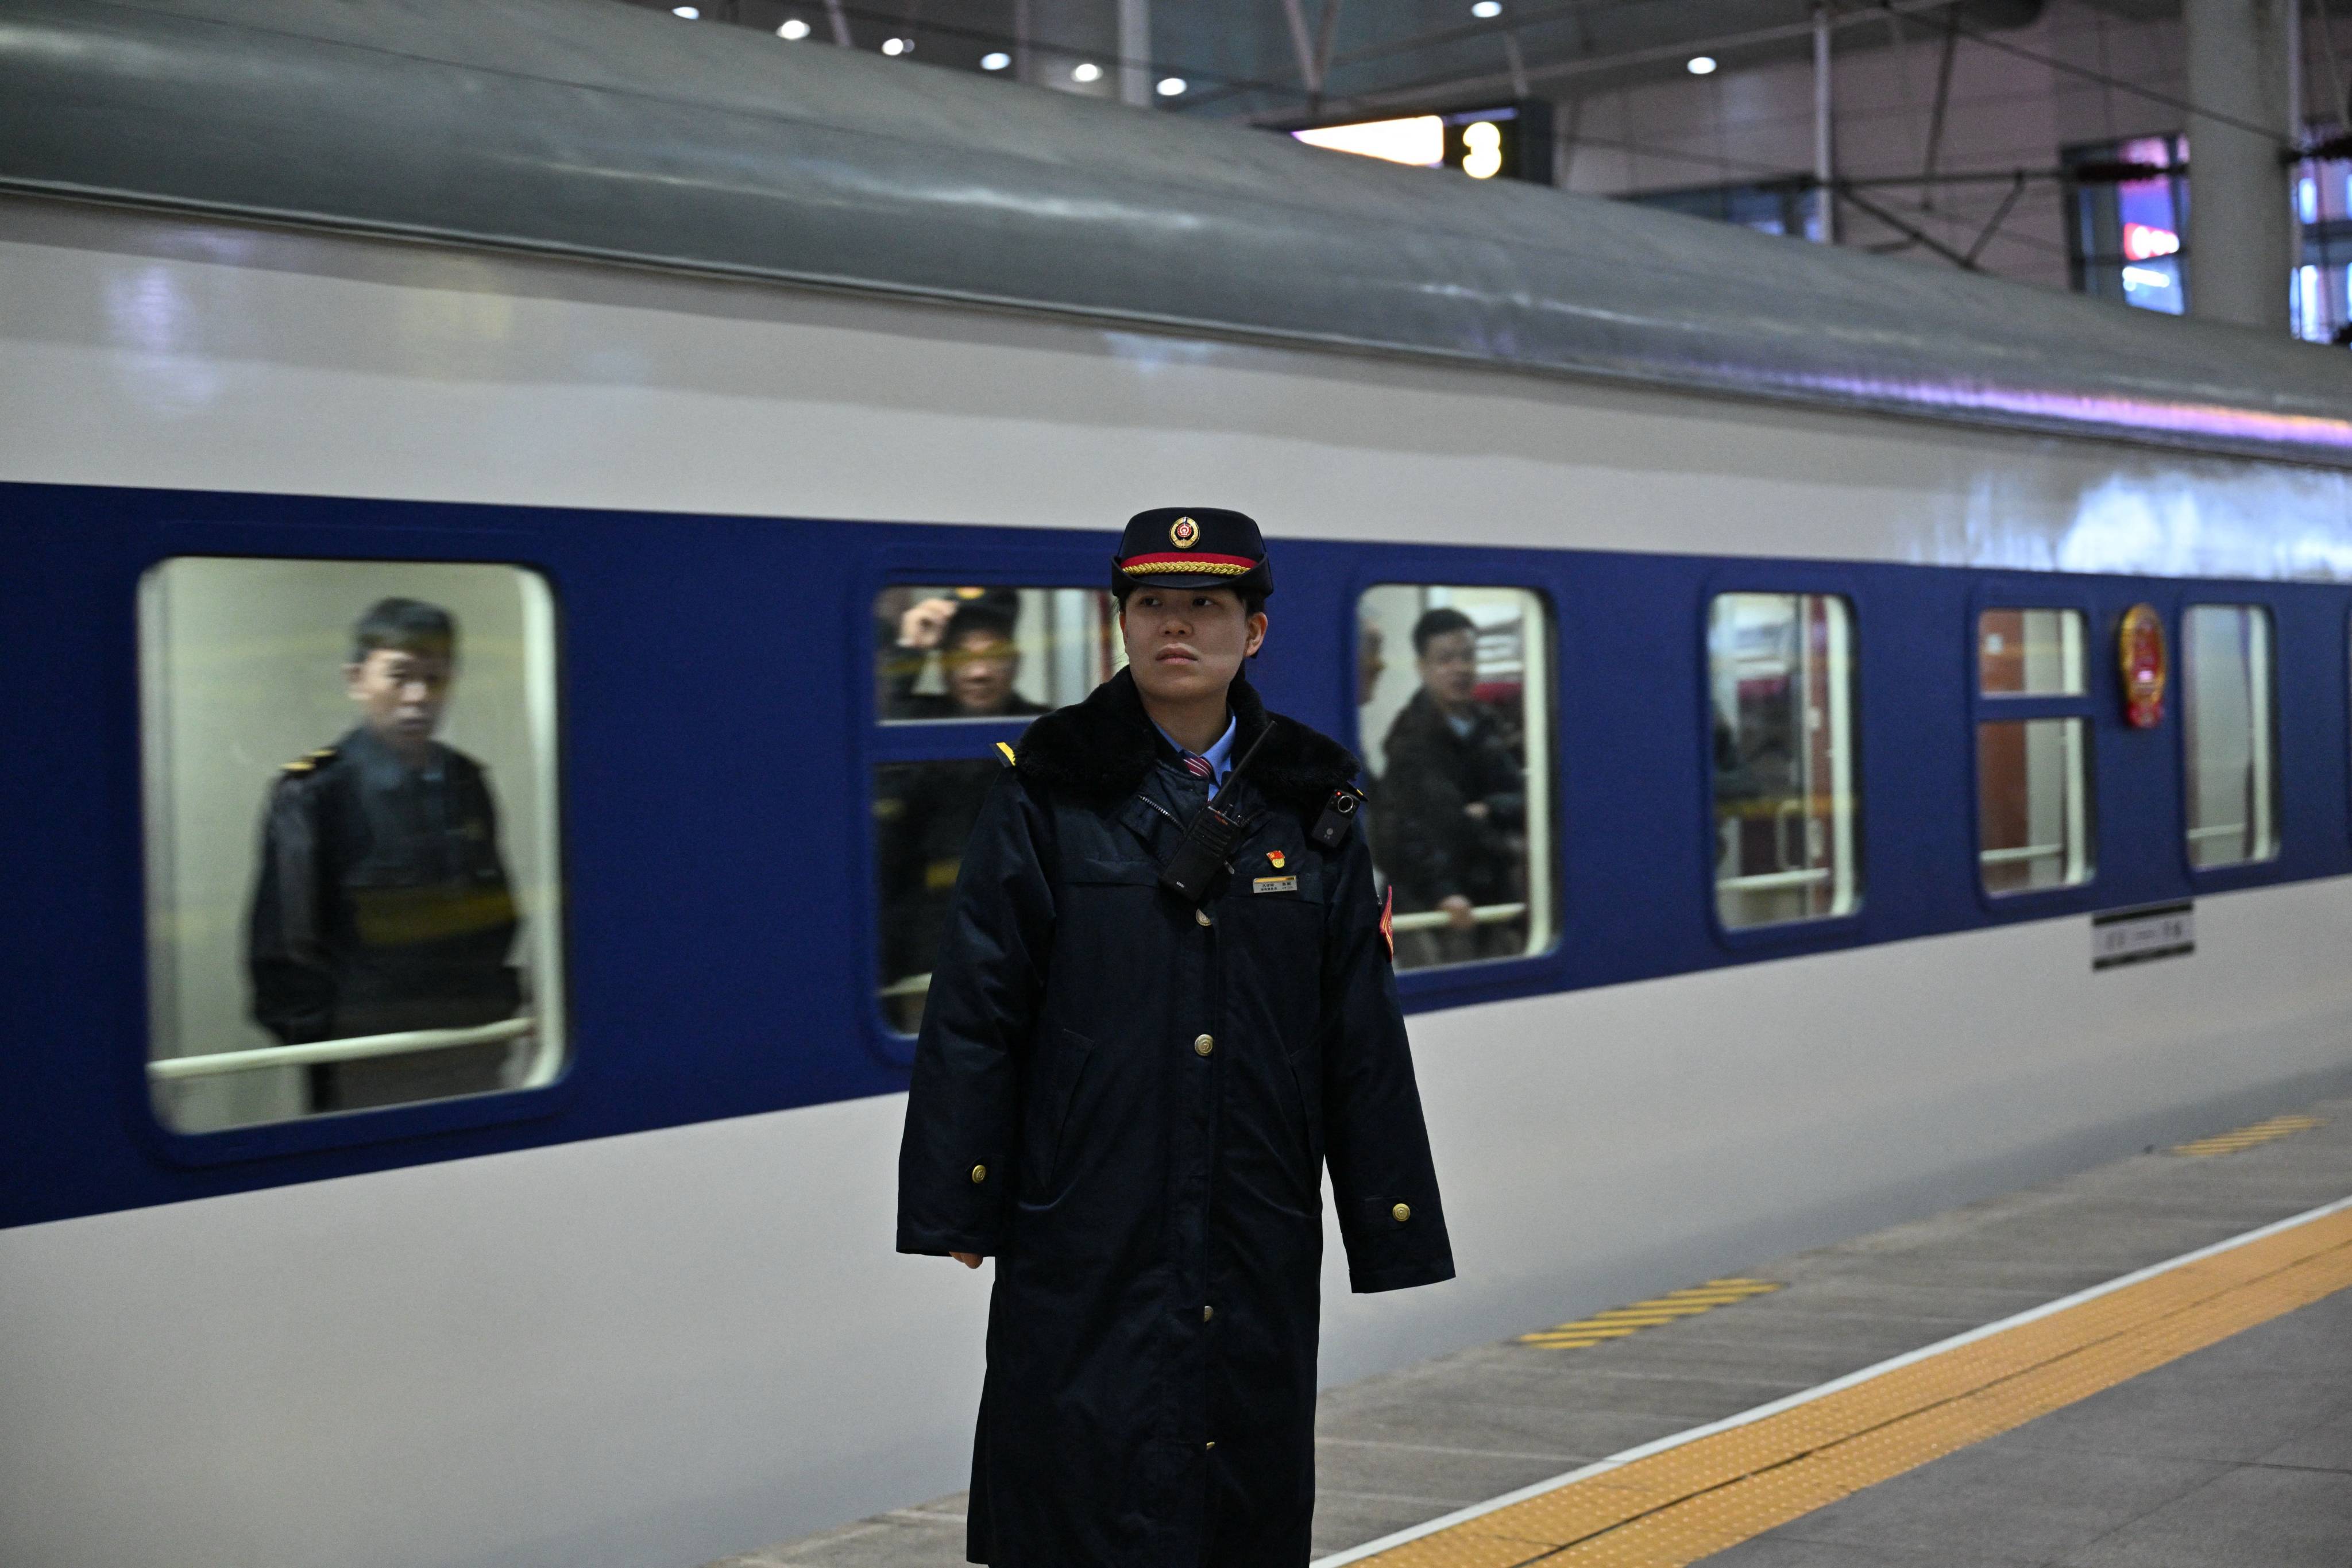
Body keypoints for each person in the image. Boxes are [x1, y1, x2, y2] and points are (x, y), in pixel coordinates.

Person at [897, 508, 1454, 1567]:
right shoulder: (1047, 788)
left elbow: (1358, 1031)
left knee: (1236, 1482)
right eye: (1152, 603)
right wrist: (957, 1194)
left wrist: (1390, 1223)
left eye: (1206, 604)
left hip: (1255, 1207)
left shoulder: (1311, 800)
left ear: (1255, 631)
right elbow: (979, 1001)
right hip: (1085, 1209)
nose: (1176, 627)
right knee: (1077, 1477)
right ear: (1122, 623)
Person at [246, 598, 522, 1113]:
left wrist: (495, 1016)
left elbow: (500, 918)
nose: (418, 697)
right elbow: (282, 956)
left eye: (435, 679)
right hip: (367, 1068)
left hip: (472, 1053)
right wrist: (336, 1053)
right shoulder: (314, 793)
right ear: (357, 680)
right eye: (399, 677)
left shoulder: (465, 782)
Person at [874, 597, 1053, 1029]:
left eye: (992, 657)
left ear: (1013, 664)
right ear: (944, 665)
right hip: (922, 952)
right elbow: (876, 783)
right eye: (961, 658)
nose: (978, 672)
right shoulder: (914, 723)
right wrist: (909, 652)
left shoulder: (1044, 730)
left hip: (1016, 950)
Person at [1372, 607, 1527, 967]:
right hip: (1433, 905)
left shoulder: (1491, 727)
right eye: (1446, 659)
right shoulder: (1409, 740)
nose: (1460, 668)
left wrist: (1490, 809)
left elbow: (1526, 799)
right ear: (1422, 668)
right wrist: (1443, 892)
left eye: (1468, 657)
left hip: (1489, 894)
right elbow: (1411, 829)